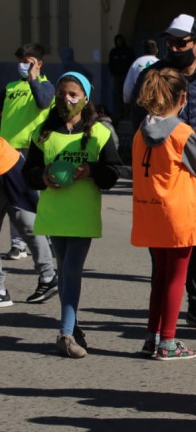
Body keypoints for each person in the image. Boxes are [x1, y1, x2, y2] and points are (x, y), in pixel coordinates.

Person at [131, 13, 196, 330]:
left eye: (181, 42)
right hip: (163, 179)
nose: (173, 48)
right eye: (169, 42)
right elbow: (143, 118)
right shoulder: (155, 74)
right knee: (163, 257)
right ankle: (163, 321)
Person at [22, 72, 122, 357]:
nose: (66, 99)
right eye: (61, 94)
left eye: (73, 94)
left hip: (82, 214)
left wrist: (91, 171)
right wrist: (42, 175)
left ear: (85, 98)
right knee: (65, 271)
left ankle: (65, 334)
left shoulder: (100, 134)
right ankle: (73, 326)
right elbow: (28, 173)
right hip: (54, 214)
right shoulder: (43, 132)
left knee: (71, 270)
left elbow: (113, 173)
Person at [132, 68, 196, 360]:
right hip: (179, 214)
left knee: (160, 277)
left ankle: (151, 337)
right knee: (176, 279)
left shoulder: (139, 133)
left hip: (150, 212)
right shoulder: (181, 133)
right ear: (183, 98)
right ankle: (167, 341)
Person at [0, 43, 59, 304]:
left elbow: (44, 102)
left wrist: (34, 77)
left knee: (28, 221)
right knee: (23, 220)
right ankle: (43, 278)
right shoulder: (10, 88)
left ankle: (48, 276)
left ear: (39, 63)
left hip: (25, 158)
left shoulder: (46, 87)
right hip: (3, 155)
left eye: (29, 60)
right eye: (21, 60)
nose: (24, 64)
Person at [123, 39, 159, 106]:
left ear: (144, 50)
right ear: (157, 50)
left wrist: (127, 101)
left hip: (140, 102)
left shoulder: (137, 63)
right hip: (156, 103)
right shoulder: (159, 63)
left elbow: (128, 86)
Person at [108, 35, 135, 116]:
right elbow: (110, 64)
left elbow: (132, 62)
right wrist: (113, 73)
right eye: (117, 41)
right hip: (116, 76)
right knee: (116, 95)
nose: (119, 42)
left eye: (120, 40)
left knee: (127, 94)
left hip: (126, 76)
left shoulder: (128, 51)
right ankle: (117, 114)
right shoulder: (113, 52)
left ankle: (127, 114)